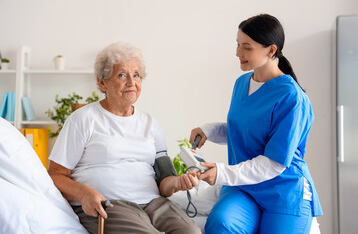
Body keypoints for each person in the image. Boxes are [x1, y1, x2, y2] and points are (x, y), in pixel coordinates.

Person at [190, 14, 323, 234]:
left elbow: (274, 162)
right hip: (246, 188)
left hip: (284, 191)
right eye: (237, 45)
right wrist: (209, 130)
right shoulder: (242, 83)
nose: (237, 53)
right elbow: (246, 130)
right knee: (221, 224)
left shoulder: (291, 97)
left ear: (271, 50)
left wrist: (223, 173)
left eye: (246, 47)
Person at [48, 42, 201, 234]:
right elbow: (56, 175)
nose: (131, 82)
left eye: (136, 75)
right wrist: (84, 194)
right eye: (122, 75)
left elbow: (165, 179)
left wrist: (178, 182)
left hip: (153, 203)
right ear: (102, 82)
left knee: (191, 232)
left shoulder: (150, 123)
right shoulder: (83, 119)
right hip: (110, 204)